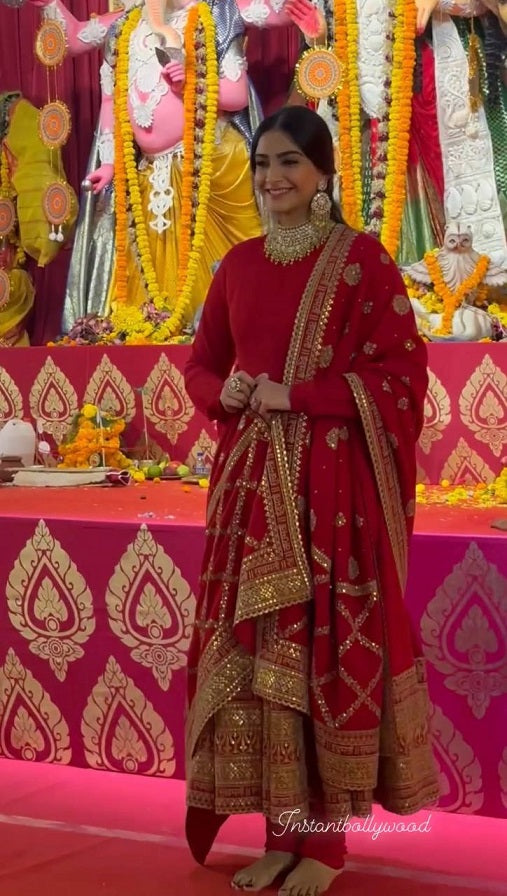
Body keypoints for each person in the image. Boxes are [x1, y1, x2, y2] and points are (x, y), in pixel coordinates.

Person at [183, 106, 439, 895]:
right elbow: (201, 368)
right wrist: (222, 394)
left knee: (325, 656)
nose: (272, 179)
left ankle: (325, 846)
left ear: (323, 173)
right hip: (249, 494)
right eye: (262, 163)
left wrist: (297, 394)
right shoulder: (236, 265)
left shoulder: (360, 262)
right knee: (261, 667)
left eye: (290, 162)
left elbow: (401, 378)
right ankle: (281, 831)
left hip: (331, 499)